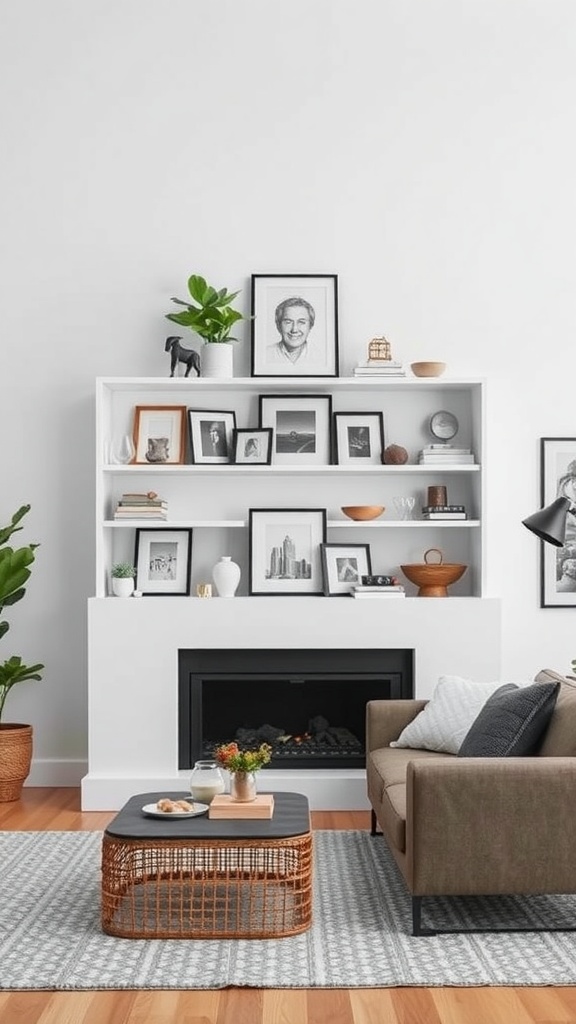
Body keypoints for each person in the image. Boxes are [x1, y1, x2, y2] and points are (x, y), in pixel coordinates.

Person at [266, 296, 316, 366]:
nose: (294, 329)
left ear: (310, 325)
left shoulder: (320, 357)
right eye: (288, 322)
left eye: (301, 322)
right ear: (278, 325)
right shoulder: (264, 355)